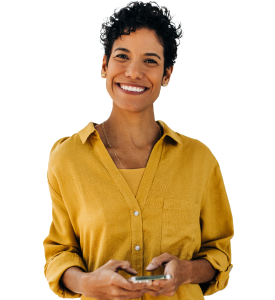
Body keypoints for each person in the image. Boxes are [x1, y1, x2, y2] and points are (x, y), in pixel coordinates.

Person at [43, 1, 234, 299]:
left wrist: (185, 271)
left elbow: (218, 252)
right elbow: (60, 252)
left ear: (167, 74)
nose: (133, 72)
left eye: (150, 61)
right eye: (122, 56)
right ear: (104, 65)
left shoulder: (200, 160)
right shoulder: (67, 159)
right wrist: (86, 283)